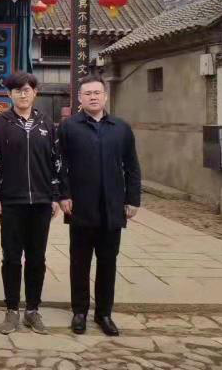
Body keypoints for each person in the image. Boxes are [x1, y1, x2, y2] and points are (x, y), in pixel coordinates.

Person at [58, 74, 141, 337]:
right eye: (88, 93)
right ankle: (79, 311)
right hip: (80, 206)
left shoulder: (121, 128)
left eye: (97, 93)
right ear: (80, 98)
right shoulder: (69, 128)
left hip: (112, 207)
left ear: (105, 96)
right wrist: (63, 195)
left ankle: (104, 313)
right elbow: (60, 165)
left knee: (108, 262)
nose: (93, 97)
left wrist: (133, 199)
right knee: (79, 262)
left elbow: (132, 166)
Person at [0, 71, 60, 335]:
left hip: (41, 202)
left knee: (37, 258)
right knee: (11, 257)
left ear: (35, 93)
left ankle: (32, 310)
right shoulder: (0, 124)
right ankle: (11, 310)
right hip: (11, 202)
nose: (22, 94)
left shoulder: (46, 124)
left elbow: (56, 161)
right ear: (9, 94)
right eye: (17, 90)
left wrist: (55, 196)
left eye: (27, 89)